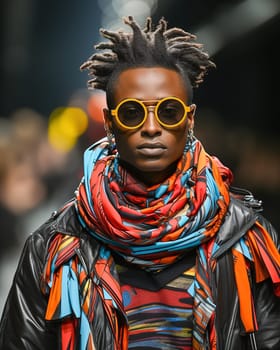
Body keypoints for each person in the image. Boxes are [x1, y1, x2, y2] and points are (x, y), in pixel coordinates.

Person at [0, 16, 279, 350]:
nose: (150, 127)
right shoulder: (55, 248)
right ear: (109, 122)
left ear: (189, 119)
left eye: (168, 112)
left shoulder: (244, 241)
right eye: (132, 112)